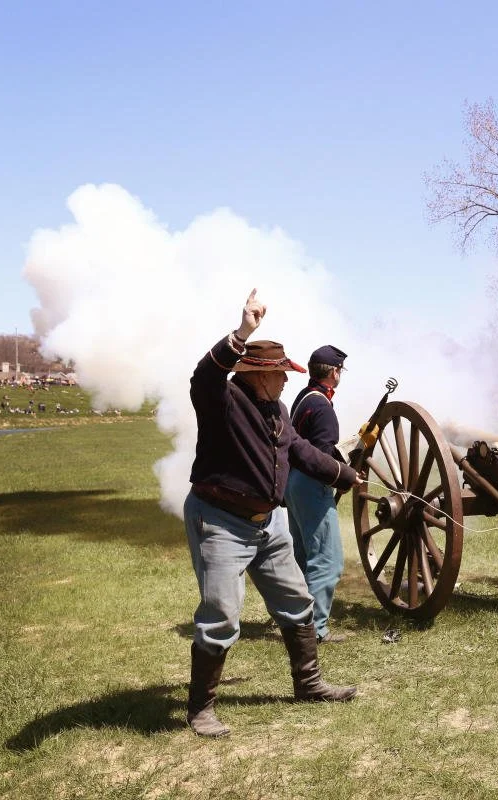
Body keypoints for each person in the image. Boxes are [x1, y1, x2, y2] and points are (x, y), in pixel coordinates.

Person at [183, 289, 362, 738]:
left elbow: (301, 452)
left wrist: (346, 475)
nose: (287, 380)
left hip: (269, 524)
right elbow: (203, 376)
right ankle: (200, 709)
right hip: (221, 522)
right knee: (222, 613)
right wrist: (243, 333)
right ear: (258, 375)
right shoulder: (221, 400)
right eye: (281, 373)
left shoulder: (276, 407)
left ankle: (309, 684)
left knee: (297, 602)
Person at [285, 344, 351, 644]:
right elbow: (321, 457)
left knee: (303, 556)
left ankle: (296, 623)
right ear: (334, 372)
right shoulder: (323, 407)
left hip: (294, 483)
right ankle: (315, 630)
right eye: (341, 370)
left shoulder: (303, 397)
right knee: (328, 559)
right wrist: (345, 473)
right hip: (311, 485)